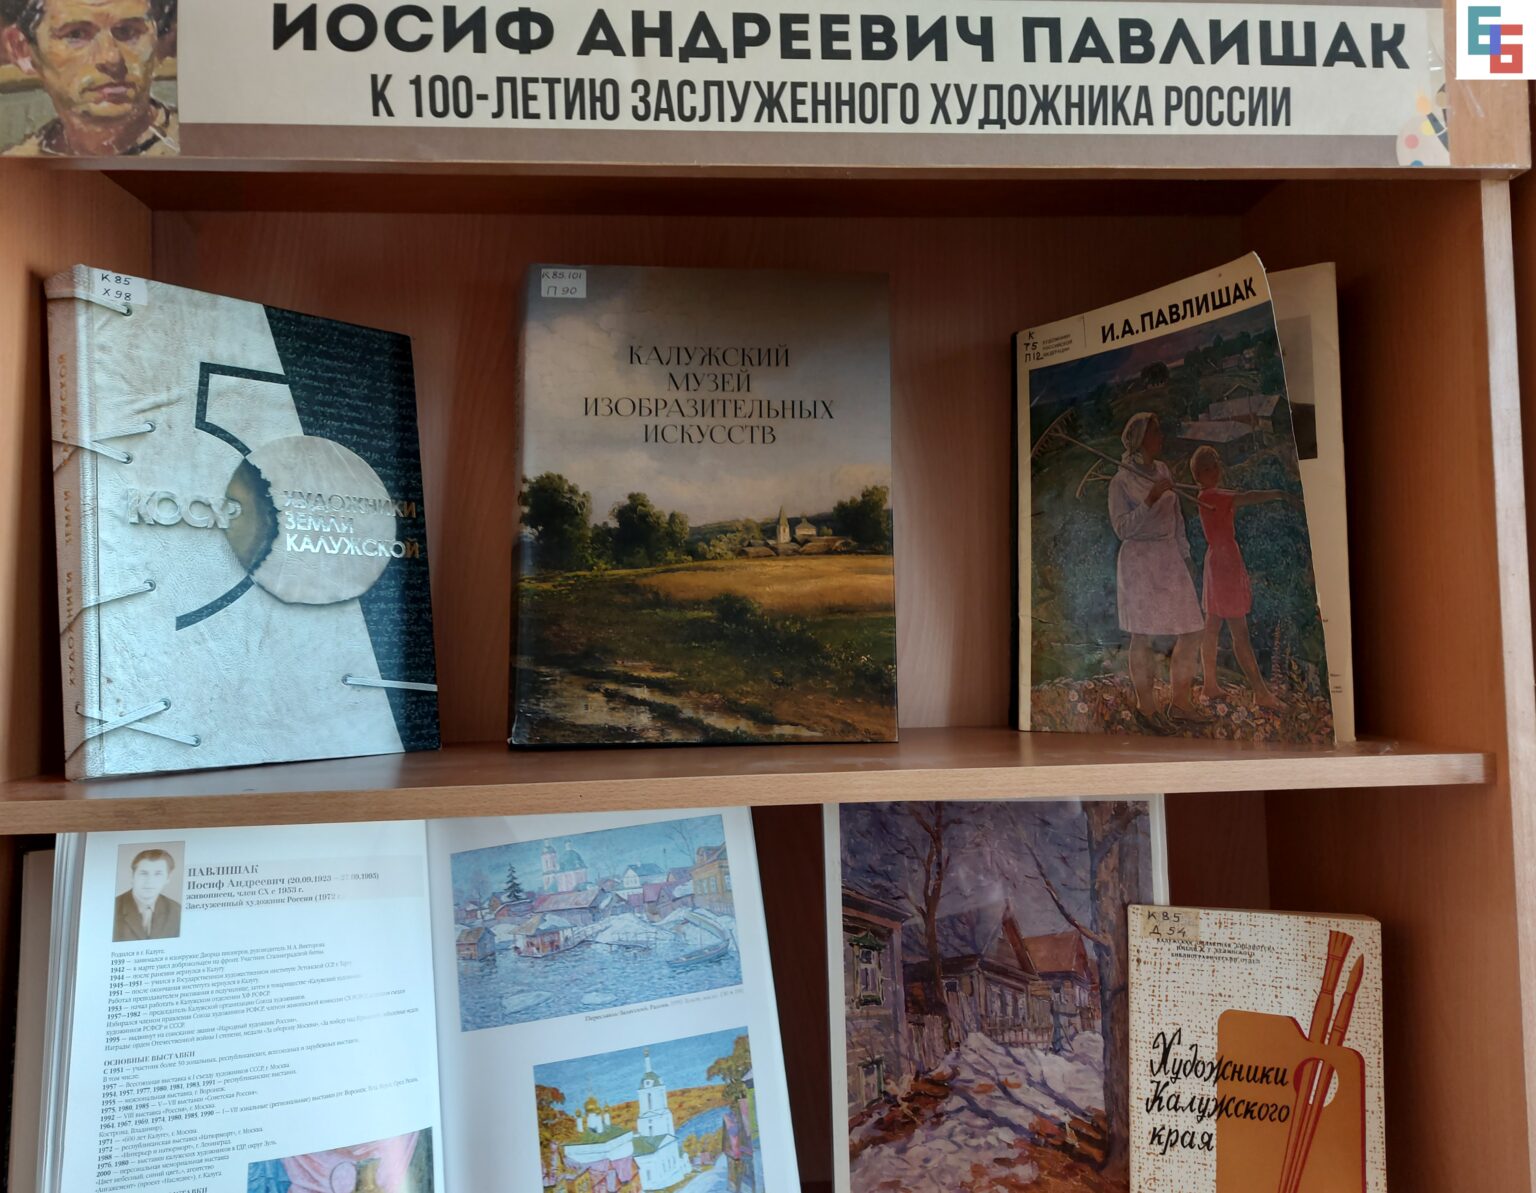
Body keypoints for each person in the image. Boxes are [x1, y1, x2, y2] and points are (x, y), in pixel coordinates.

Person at [1107, 413, 1208, 727]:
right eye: (1155, 432)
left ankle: (1180, 704)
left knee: (1192, 630)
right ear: (1140, 439)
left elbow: (1176, 519)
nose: (1161, 437)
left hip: (1169, 558)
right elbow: (1122, 529)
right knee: (1143, 635)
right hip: (1140, 561)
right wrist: (1150, 499)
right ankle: (1147, 709)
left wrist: (1186, 556)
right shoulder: (1121, 481)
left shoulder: (1162, 469)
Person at [1, 0, 177, 157]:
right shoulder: (14, 170)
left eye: (128, 31)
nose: (111, 57)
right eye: (76, 34)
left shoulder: (187, 147)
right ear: (21, 50)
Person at [1190, 444, 1294, 710]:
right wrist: (1279, 494)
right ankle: (1260, 692)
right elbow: (1248, 496)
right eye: (1208, 469)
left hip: (1220, 561)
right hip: (1224, 564)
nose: (1215, 471)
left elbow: (1235, 497)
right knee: (1238, 630)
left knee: (1213, 625)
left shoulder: (1209, 494)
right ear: (1199, 475)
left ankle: (1210, 685)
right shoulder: (1212, 495)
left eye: (1216, 466)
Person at [112, 847, 181, 941]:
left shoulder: (176, 911)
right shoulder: (113, 908)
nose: (150, 881)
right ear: (132, 876)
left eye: (158, 874)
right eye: (143, 873)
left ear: (167, 878)